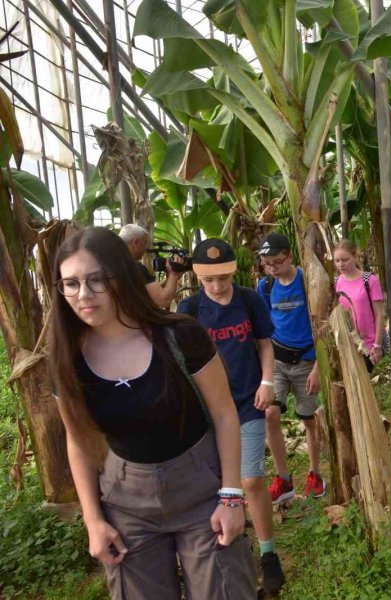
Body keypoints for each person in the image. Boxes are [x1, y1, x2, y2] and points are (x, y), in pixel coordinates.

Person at [49, 227, 256, 600]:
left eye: (96, 281)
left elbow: (225, 415)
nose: (83, 295)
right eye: (71, 283)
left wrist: (231, 498)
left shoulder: (181, 336)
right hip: (126, 503)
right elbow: (78, 440)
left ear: (122, 277)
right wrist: (94, 522)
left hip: (200, 490)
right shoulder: (68, 359)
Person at [176, 238, 286, 595]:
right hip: (208, 412)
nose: (218, 286)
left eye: (223, 278)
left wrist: (268, 380)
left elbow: (264, 344)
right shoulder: (189, 309)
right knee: (218, 487)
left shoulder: (250, 299)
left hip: (246, 402)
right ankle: (230, 547)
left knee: (251, 480)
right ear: (198, 277)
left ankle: (269, 553)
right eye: (210, 280)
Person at [256, 232, 327, 504]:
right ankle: (283, 479)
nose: (272, 267)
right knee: (270, 413)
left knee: (309, 421)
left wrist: (319, 367)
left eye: (276, 261)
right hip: (277, 361)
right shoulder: (264, 287)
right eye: (266, 263)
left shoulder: (307, 282)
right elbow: (262, 331)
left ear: (289, 257)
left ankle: (315, 474)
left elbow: (323, 325)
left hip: (307, 362)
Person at [334, 240, 385, 372]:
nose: (341, 264)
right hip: (346, 342)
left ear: (355, 257)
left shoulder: (369, 280)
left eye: (345, 260)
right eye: (337, 260)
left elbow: (379, 313)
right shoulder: (336, 282)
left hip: (367, 343)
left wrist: (378, 344)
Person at [119, 224, 180, 309]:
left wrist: (168, 279)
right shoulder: (135, 267)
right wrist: (174, 275)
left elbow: (147, 291)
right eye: (144, 243)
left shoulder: (112, 263)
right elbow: (164, 301)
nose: (146, 249)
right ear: (135, 242)